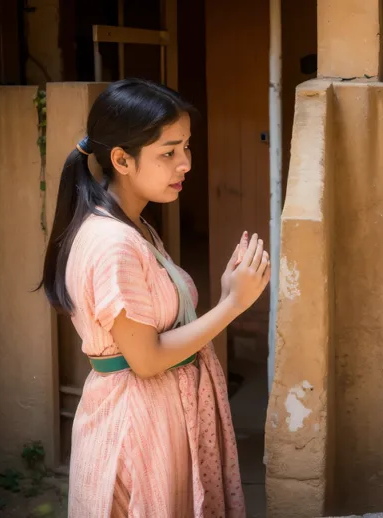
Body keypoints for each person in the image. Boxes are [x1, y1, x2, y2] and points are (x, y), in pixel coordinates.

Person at [40, 78, 269, 517]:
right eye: (168, 152)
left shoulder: (132, 225)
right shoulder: (114, 243)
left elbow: (162, 327)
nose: (184, 163)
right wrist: (233, 305)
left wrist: (226, 291)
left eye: (186, 147)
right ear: (122, 159)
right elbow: (145, 361)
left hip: (155, 418)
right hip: (137, 425)